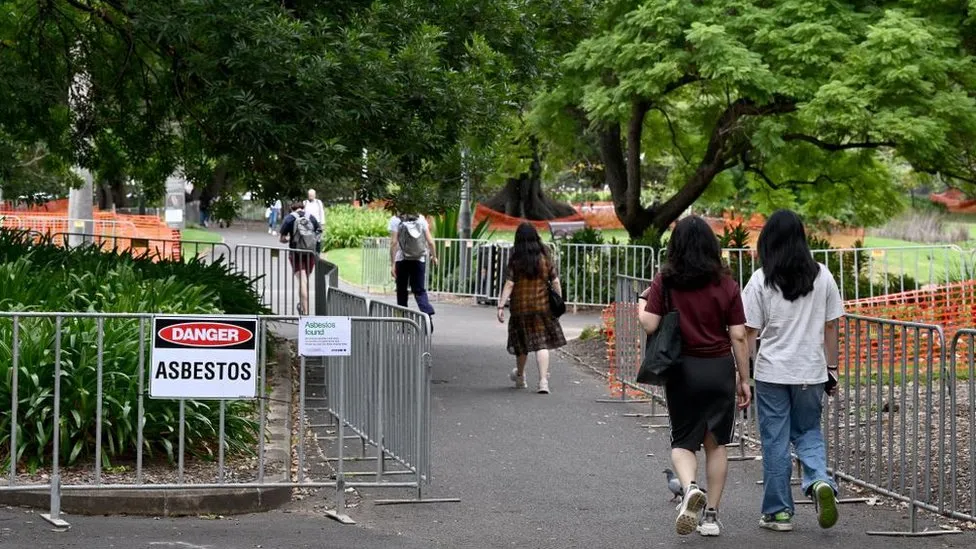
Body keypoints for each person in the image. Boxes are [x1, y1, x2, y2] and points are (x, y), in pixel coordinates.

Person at [637, 215, 751, 537]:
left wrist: (640, 303)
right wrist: (744, 379)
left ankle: (689, 489)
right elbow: (739, 335)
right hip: (718, 370)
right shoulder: (727, 285)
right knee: (716, 445)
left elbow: (649, 323)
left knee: (683, 442)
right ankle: (711, 517)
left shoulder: (666, 281)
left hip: (682, 369)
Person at [742, 210, 843, 533]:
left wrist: (743, 374)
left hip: (772, 372)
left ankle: (779, 512)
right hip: (811, 371)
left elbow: (749, 332)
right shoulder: (823, 276)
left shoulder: (761, 279)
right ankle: (818, 480)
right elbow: (830, 326)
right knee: (809, 431)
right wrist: (832, 367)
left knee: (775, 441)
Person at [496, 222, 566, 394]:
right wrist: (559, 299)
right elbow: (555, 281)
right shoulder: (545, 257)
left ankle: (520, 377)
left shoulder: (516, 259)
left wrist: (500, 305)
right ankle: (543, 382)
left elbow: (510, 284)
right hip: (542, 307)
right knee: (542, 344)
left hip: (520, 308)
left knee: (522, 344)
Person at [389, 212, 437, 322]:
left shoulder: (395, 220)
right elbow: (430, 241)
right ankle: (427, 316)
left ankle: (403, 322)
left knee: (401, 291)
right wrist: (434, 257)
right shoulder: (421, 218)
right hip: (418, 259)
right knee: (419, 291)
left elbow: (394, 242)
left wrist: (392, 264)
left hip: (401, 260)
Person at [279, 202, 321, 315]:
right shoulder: (311, 217)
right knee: (305, 280)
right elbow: (318, 233)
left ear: (292, 209)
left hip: (296, 253)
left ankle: (305, 311)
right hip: (310, 253)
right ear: (303, 207)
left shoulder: (289, 219)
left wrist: (289, 239)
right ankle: (303, 307)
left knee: (302, 280)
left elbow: (282, 239)